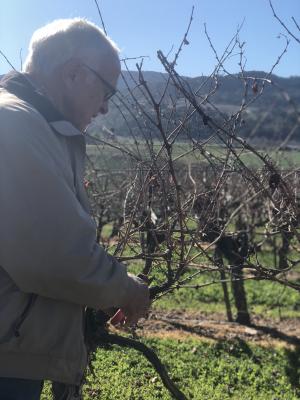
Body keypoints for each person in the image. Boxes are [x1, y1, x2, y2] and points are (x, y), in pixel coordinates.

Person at [0, 18, 150, 399]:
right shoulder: (13, 124)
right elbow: (57, 257)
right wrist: (125, 290)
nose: (103, 108)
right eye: (106, 91)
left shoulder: (38, 127)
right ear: (72, 73)